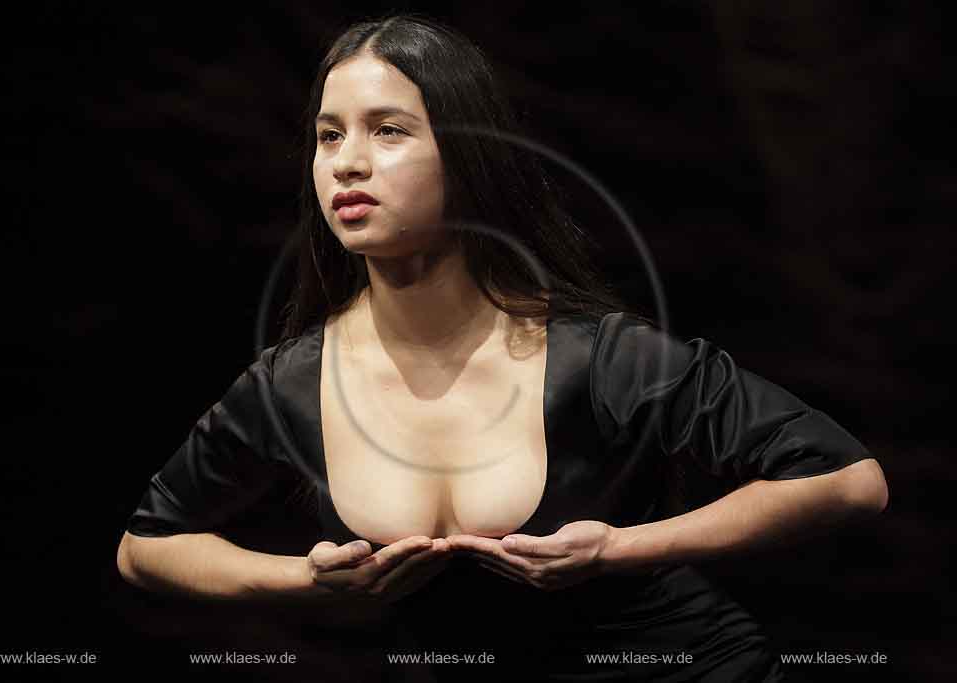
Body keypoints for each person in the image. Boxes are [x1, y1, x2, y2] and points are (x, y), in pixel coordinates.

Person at [116, 12, 889, 682]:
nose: (347, 160)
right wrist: (304, 581)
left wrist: (620, 548)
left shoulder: (593, 355)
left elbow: (848, 480)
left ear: (465, 151)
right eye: (328, 135)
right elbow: (144, 545)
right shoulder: (294, 379)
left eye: (388, 130)